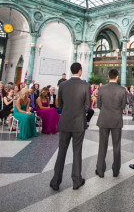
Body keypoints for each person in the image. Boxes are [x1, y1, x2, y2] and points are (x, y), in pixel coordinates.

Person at [50, 62, 90, 191]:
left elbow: (60, 104)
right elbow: (87, 106)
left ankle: (56, 181)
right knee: (77, 151)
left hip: (65, 121)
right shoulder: (85, 85)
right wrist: (79, 112)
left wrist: (67, 111)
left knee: (61, 151)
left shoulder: (62, 85)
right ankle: (77, 180)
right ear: (80, 70)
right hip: (78, 122)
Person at [95, 69, 126, 178]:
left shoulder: (102, 89)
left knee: (102, 145)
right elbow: (123, 106)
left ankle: (100, 170)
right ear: (117, 77)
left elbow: (98, 104)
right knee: (116, 145)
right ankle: (116, 170)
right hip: (116, 120)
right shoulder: (122, 90)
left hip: (104, 119)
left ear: (108, 76)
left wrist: (105, 110)